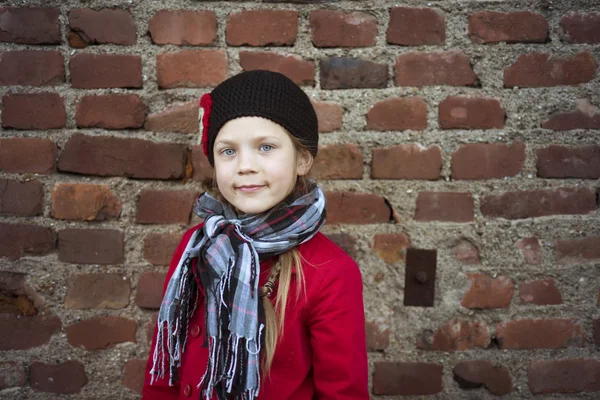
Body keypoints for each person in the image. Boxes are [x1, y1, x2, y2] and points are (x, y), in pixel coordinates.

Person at [141, 70, 368, 400]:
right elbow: (164, 371)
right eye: (228, 151)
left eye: (265, 146)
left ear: (302, 159)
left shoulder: (330, 272)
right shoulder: (197, 246)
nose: (245, 165)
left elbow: (343, 393)